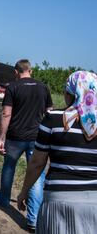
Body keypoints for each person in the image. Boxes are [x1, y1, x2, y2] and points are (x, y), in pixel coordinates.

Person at [17, 71, 97, 233]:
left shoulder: (53, 119)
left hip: (58, 200)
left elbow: (37, 163)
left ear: (70, 94)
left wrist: (24, 191)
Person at [0, 59, 53, 230]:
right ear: (31, 71)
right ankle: (34, 219)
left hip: (15, 136)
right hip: (37, 137)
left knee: (9, 167)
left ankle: (4, 199)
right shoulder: (43, 87)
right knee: (36, 174)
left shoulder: (13, 87)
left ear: (16, 72)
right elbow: (49, 112)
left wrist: (1, 137)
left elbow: (6, 114)